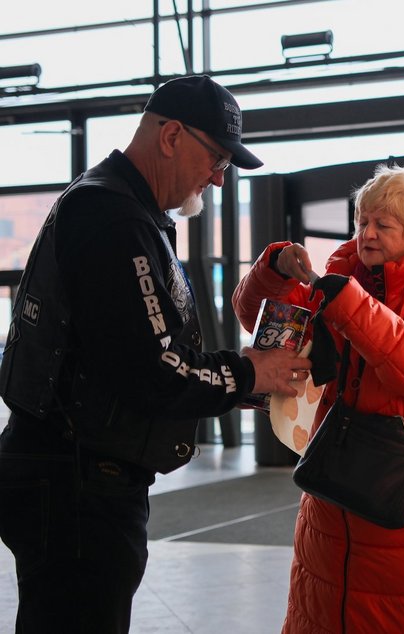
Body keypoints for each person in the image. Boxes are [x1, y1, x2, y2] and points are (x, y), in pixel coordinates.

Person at [0, 75, 310, 634]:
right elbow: (155, 371)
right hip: (78, 487)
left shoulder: (112, 209)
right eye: (215, 158)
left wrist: (238, 380)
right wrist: (245, 372)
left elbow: (130, 355)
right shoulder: (113, 220)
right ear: (170, 136)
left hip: (68, 476)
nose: (218, 178)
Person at [232, 161, 404, 633]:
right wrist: (274, 270)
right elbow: (256, 319)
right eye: (362, 221)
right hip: (332, 499)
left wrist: (353, 306)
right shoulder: (341, 280)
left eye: (382, 224)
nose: (366, 233)